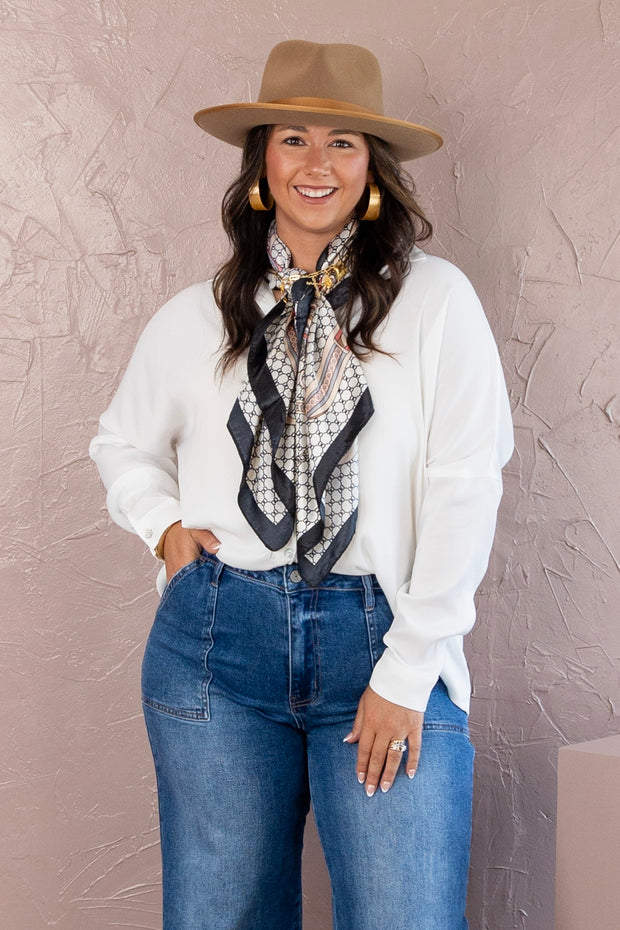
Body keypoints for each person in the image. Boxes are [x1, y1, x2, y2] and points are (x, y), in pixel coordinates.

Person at [90, 39, 513, 930]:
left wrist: (408, 668)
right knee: (221, 916)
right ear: (262, 165)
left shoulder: (436, 303)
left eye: (341, 143)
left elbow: (466, 486)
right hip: (219, 646)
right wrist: (163, 526)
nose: (316, 164)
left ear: (373, 170)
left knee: (406, 917)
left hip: (384, 635)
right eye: (292, 139)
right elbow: (120, 443)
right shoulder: (202, 314)